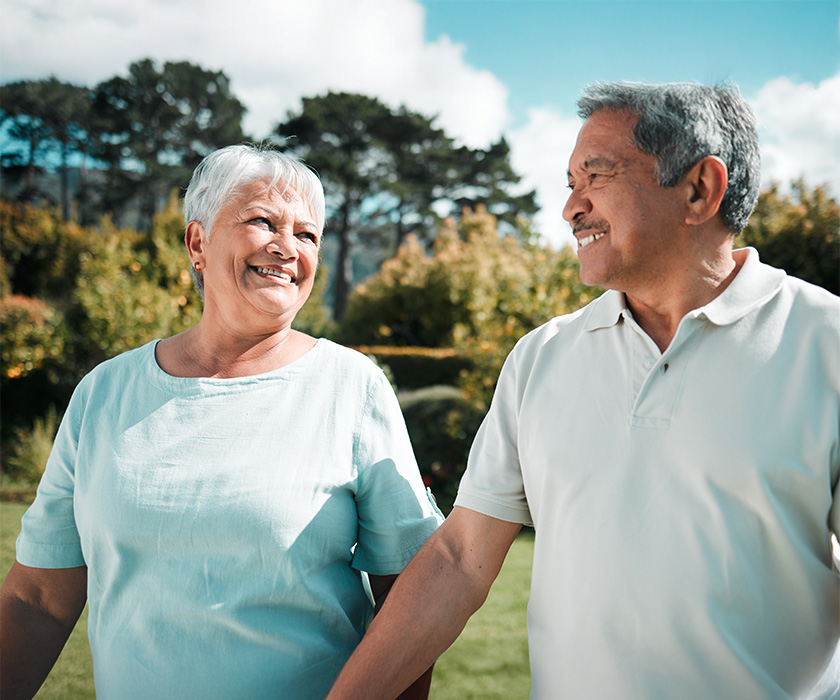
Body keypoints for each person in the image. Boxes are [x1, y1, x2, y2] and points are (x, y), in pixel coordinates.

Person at [325, 82, 840, 700]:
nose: (571, 208)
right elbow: (459, 560)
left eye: (596, 176)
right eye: (570, 182)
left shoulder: (825, 345)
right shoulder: (541, 358)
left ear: (700, 189)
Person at [0, 144, 443, 700]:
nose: (287, 248)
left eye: (307, 235)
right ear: (197, 243)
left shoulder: (352, 387)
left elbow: (409, 603)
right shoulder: (105, 392)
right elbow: (37, 596)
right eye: (263, 221)